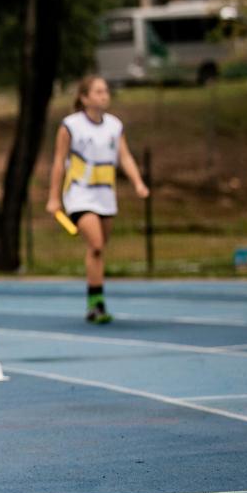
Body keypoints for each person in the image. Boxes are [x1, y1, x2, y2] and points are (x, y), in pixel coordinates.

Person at [46, 75, 149, 324]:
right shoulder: (70, 125)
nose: (104, 95)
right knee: (96, 244)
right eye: (98, 91)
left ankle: (95, 301)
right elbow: (59, 162)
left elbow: (124, 157)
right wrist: (54, 197)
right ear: (84, 98)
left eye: (106, 91)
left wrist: (138, 182)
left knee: (98, 251)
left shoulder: (114, 126)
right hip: (79, 195)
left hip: (105, 196)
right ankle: (96, 305)